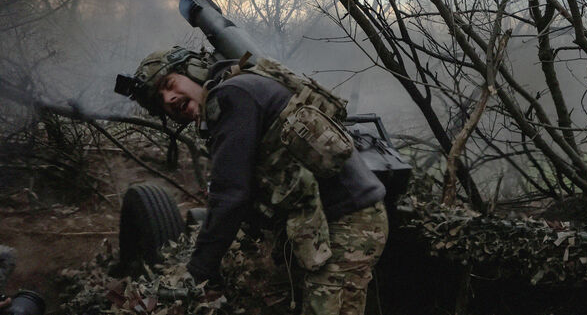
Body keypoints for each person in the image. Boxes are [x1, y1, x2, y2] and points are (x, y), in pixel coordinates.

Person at [119, 47, 388, 315]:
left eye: (169, 84)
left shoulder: (232, 95)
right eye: (160, 99)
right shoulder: (239, 87)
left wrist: (197, 271)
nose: (169, 98)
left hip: (348, 221)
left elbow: (231, 195)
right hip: (326, 222)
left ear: (194, 70)